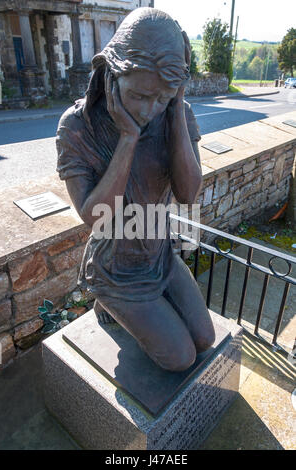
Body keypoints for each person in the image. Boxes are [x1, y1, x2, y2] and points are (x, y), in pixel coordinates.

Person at [56, 7, 215, 372]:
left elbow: (189, 194)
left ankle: (132, 309)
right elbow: (95, 218)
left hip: (159, 256)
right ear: (113, 73)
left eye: (162, 97)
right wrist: (128, 137)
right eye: (140, 95)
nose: (149, 109)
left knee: (205, 338)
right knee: (181, 358)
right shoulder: (78, 126)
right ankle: (107, 298)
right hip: (116, 269)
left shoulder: (175, 112)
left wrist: (175, 109)